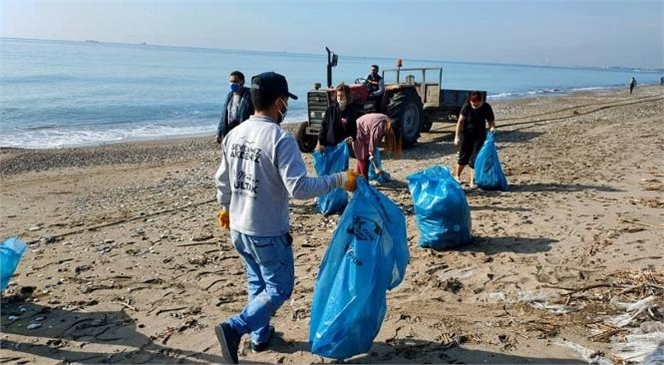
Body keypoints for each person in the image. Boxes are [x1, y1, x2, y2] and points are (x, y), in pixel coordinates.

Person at [213, 71, 357, 365]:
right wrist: (339, 178)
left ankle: (260, 336)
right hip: (266, 229)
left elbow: (222, 181)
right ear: (279, 102)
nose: (285, 108)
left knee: (257, 282)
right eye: (285, 102)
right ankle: (235, 327)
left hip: (239, 228)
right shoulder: (279, 139)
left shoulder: (234, 134)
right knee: (279, 288)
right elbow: (300, 188)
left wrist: (226, 207)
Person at [453, 91, 496, 187]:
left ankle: (472, 181)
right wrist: (457, 136)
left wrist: (492, 127)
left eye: (476, 104)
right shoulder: (466, 106)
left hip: (479, 135)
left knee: (475, 158)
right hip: (467, 135)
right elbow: (460, 122)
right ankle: (457, 176)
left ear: (480, 101)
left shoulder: (486, 107)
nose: (474, 106)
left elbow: (491, 121)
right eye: (473, 104)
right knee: (463, 156)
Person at [352, 113, 401, 178]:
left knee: (362, 158)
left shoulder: (386, 121)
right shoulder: (378, 131)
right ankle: (364, 181)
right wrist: (376, 167)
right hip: (358, 130)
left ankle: (357, 179)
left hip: (363, 127)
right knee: (364, 158)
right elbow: (371, 151)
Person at [316, 83, 358, 152]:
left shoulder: (351, 111)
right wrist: (321, 143)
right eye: (338, 96)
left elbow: (354, 131)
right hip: (329, 146)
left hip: (343, 148)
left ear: (347, 96)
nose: (339, 98)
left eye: (342, 96)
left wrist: (352, 137)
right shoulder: (330, 109)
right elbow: (323, 127)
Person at [216, 71, 254, 144]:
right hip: (230, 130)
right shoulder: (230, 95)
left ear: (242, 82)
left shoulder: (250, 95)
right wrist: (219, 132)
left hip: (243, 132)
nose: (232, 84)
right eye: (231, 81)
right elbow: (224, 114)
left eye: (235, 81)